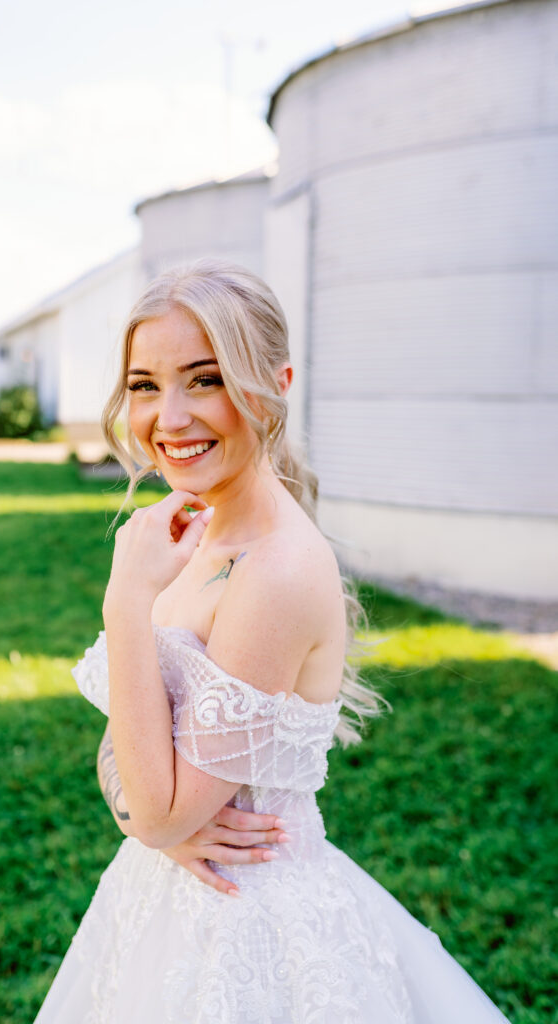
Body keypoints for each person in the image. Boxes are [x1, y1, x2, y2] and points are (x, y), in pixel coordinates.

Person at [34, 259, 512, 1023]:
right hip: (163, 896)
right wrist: (143, 819)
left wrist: (127, 600)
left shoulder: (278, 571)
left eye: (207, 378)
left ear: (274, 383)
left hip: (242, 924)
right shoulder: (194, 531)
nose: (170, 417)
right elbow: (135, 752)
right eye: (146, 385)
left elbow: (163, 810)